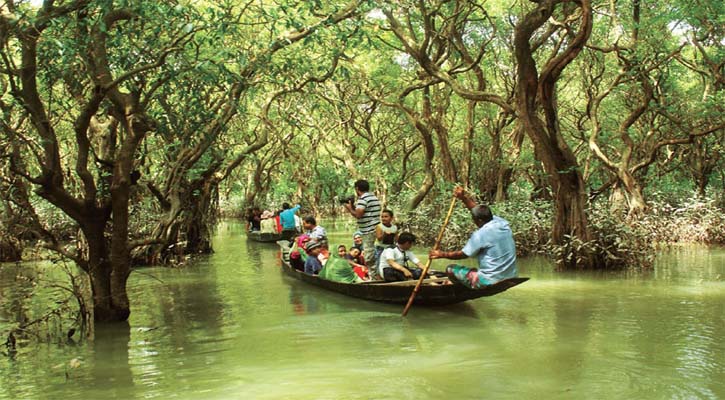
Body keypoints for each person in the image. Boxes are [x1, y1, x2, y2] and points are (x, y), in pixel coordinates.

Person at [429, 187, 518, 288]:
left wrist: (442, 254)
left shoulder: (480, 234)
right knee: (474, 269)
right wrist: (463, 198)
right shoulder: (502, 223)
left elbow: (463, 254)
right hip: (511, 276)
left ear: (479, 221)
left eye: (474, 220)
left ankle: (458, 288)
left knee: (450, 269)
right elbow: (476, 209)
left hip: (489, 280)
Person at [343, 179, 381, 278]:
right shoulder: (374, 197)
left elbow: (358, 215)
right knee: (373, 251)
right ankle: (376, 273)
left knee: (368, 254)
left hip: (368, 230)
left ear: (357, 188)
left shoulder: (363, 199)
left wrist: (349, 208)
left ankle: (373, 277)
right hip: (376, 228)